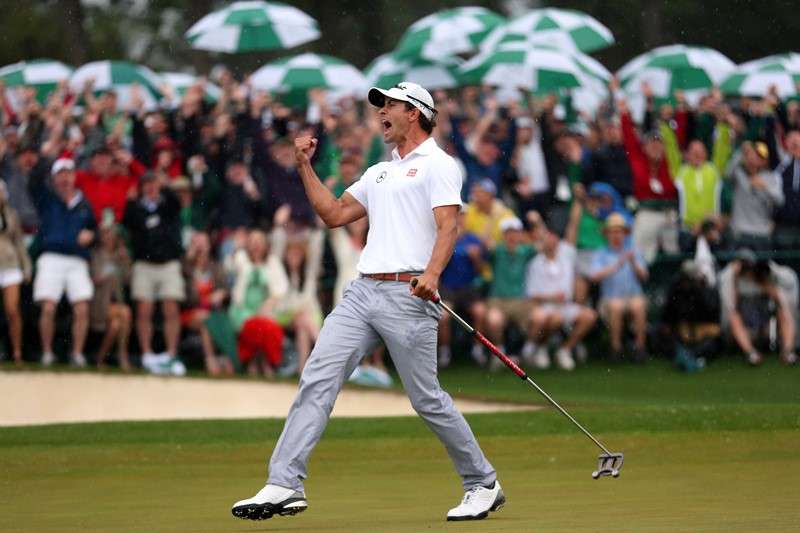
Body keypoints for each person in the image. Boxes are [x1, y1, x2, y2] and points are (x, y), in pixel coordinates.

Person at [232, 82, 503, 522]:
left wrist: (431, 275)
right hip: (362, 292)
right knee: (318, 378)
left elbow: (448, 227)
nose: (381, 113)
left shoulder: (439, 164)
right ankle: (284, 483)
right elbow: (334, 214)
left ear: (414, 112)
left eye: (390, 105)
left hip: (409, 294)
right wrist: (304, 166)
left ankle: (482, 484)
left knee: (427, 400)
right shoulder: (380, 171)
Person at [29, 157, 96, 366]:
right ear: (54, 177)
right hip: (51, 257)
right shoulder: (46, 199)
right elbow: (34, 180)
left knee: (82, 308)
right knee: (48, 307)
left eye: (69, 173)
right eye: (61, 174)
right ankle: (47, 353)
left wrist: (91, 235)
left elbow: (94, 229)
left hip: (77, 260)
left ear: (75, 176)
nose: (65, 177)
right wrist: (49, 153)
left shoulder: (84, 203)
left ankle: (77, 354)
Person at [122, 171, 186, 376]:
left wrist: (166, 185)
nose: (150, 187)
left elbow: (177, 203)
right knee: (144, 310)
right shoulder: (136, 207)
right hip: (144, 265)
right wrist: (131, 201)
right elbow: (128, 222)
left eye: (154, 183)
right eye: (147, 184)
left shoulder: (168, 203)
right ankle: (147, 354)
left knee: (171, 308)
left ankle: (171, 353)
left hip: (169, 263)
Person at [522, 214, 597, 371]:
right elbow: (532, 294)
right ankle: (540, 348)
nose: (551, 240)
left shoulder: (567, 255)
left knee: (589, 316)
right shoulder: (535, 263)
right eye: (548, 237)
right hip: (545, 306)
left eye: (554, 237)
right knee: (552, 318)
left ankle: (565, 350)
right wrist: (552, 297)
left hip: (566, 305)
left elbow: (573, 225)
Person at [719, 250, 798, 366]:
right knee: (733, 316)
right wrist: (735, 279)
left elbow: (783, 304)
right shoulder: (728, 276)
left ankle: (787, 352)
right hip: (744, 327)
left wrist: (764, 285)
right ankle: (751, 353)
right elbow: (732, 307)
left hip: (767, 325)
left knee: (783, 311)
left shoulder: (777, 273)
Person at [589, 213, 649, 362]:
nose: (616, 235)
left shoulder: (633, 251)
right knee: (616, 306)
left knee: (639, 304)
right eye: (613, 231)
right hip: (609, 299)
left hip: (632, 297)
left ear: (624, 234)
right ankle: (615, 348)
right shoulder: (600, 253)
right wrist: (617, 265)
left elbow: (644, 276)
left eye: (619, 231)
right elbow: (594, 276)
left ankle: (640, 348)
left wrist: (633, 263)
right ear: (607, 234)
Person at [482, 216, 536, 368]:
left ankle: (529, 351)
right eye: (508, 232)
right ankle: (500, 354)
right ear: (503, 235)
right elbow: (486, 242)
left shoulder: (526, 251)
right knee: (494, 321)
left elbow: (544, 243)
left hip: (521, 302)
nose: (512, 236)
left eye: (515, 232)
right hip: (498, 301)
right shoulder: (498, 250)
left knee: (539, 319)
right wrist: (491, 219)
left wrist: (537, 223)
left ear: (520, 234)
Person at [182, 231, 233, 376]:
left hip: (213, 313)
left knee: (218, 320)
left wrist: (222, 294)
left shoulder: (215, 266)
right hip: (191, 312)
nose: (200, 248)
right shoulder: (186, 267)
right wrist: (189, 258)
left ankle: (227, 358)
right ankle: (210, 359)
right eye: (196, 244)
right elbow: (184, 297)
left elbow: (227, 291)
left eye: (203, 244)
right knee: (206, 320)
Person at [89, 219, 132, 370]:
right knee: (125, 312)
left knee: (115, 326)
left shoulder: (121, 255)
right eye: (105, 233)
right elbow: (93, 279)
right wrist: (106, 275)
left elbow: (127, 279)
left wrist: (124, 261)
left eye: (111, 233)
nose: (109, 236)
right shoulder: (95, 254)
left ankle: (100, 359)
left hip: (115, 302)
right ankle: (122, 355)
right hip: (99, 302)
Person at [727, 142, 783, 251]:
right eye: (753, 155)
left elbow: (780, 200)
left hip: (761, 233)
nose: (755, 159)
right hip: (740, 231)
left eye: (760, 157)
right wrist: (741, 152)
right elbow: (727, 171)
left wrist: (765, 187)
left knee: (762, 267)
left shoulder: (771, 178)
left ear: (765, 161)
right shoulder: (738, 174)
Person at [0, 181, 32, 365]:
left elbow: (19, 242)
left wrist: (25, 266)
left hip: (10, 264)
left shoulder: (11, 214)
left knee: (13, 311)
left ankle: (17, 352)